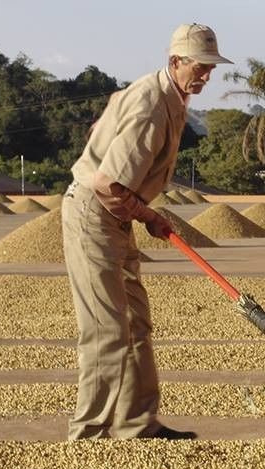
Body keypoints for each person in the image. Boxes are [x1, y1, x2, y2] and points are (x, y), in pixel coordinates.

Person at [62, 23, 233, 440]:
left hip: (114, 216)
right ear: (175, 62)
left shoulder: (167, 95)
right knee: (107, 329)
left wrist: (138, 212)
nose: (206, 75)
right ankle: (89, 435)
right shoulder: (153, 105)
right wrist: (148, 215)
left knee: (136, 322)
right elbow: (107, 183)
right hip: (94, 213)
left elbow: (102, 129)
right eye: (200, 67)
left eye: (211, 67)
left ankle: (137, 424)